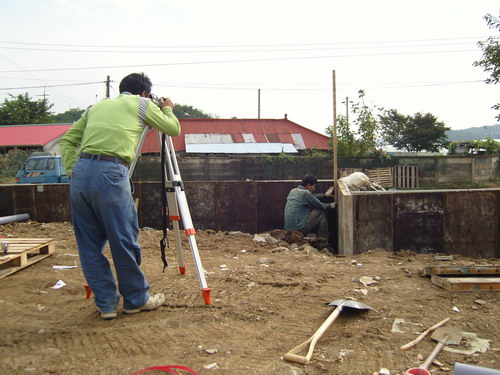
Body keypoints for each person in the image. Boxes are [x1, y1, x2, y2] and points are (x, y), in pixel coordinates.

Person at [60, 72, 181, 320]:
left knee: (89, 245)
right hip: (111, 172)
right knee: (122, 238)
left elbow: (69, 139)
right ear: (145, 93)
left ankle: (105, 304)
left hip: (81, 172)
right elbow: (173, 129)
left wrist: (74, 169)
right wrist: (167, 109)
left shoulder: (96, 107)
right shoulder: (142, 104)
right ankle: (135, 299)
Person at [284, 174, 335, 240]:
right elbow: (321, 206)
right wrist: (332, 205)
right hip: (299, 228)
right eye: (313, 186)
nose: (314, 189)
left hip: (288, 230)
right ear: (308, 184)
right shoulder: (305, 193)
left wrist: (324, 195)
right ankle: (323, 238)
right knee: (321, 212)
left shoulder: (293, 191)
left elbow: (312, 197)